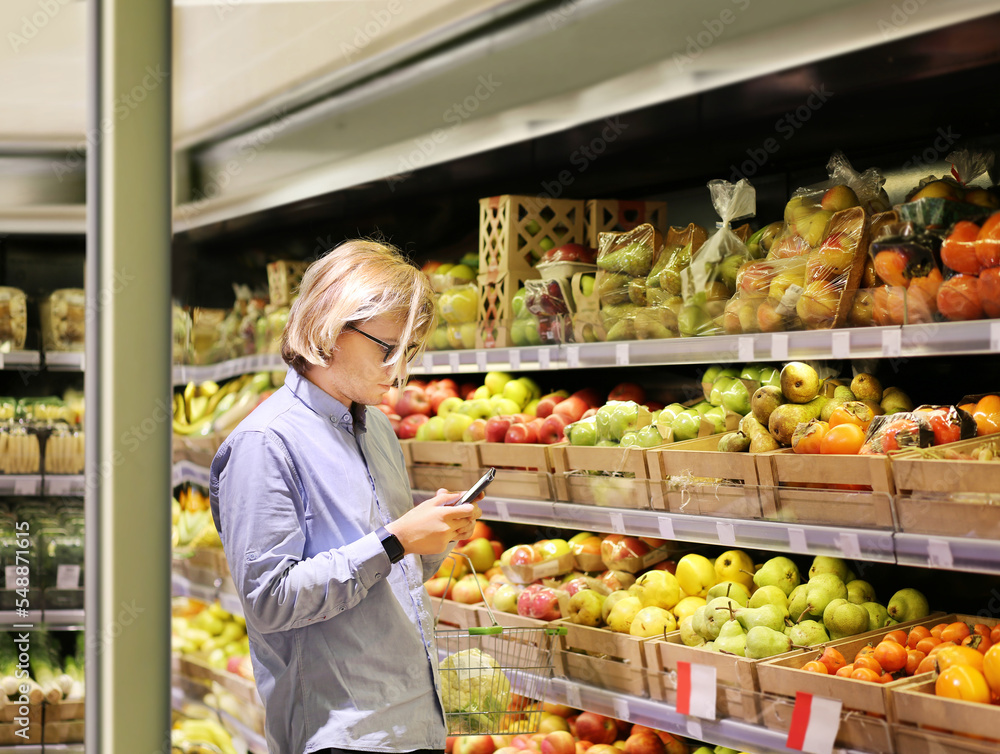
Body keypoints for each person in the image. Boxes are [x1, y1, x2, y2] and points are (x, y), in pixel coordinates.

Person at [210, 239, 482, 754]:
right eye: (387, 349)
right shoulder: (265, 444)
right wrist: (395, 540)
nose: (400, 371)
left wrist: (434, 535)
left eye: (410, 352)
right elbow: (270, 600)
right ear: (331, 327)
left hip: (414, 722)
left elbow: (393, 576)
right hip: (339, 734)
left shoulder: (377, 428)